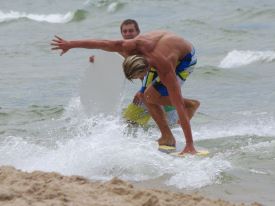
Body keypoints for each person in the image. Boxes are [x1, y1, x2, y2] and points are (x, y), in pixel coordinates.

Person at [51, 30, 200, 154]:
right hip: (162, 46)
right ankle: (167, 137)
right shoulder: (126, 46)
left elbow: (177, 104)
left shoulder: (165, 68)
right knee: (146, 96)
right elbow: (100, 43)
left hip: (185, 58)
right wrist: (70, 44)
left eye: (139, 77)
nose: (140, 79)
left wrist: (189, 145)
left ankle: (191, 105)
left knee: (152, 97)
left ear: (146, 69)